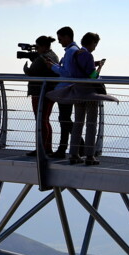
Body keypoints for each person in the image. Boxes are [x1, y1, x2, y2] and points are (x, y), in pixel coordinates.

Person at [68, 32, 106, 165]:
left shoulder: (75, 54)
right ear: (92, 43)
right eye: (95, 44)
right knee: (91, 124)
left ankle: (73, 154)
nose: (95, 47)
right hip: (89, 93)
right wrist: (99, 67)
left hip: (77, 91)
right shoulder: (88, 55)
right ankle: (90, 156)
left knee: (77, 124)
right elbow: (93, 76)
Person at [22, 35, 59, 156]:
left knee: (41, 121)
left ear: (43, 46)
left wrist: (26, 68)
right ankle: (46, 148)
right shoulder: (53, 56)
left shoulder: (43, 57)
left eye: (37, 47)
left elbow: (32, 72)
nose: (36, 49)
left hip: (40, 92)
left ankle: (41, 148)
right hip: (49, 91)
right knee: (45, 120)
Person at [49, 26, 79, 159]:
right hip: (69, 89)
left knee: (64, 119)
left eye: (60, 39)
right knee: (64, 119)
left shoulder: (71, 51)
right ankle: (66, 147)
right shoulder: (74, 50)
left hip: (66, 89)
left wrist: (53, 67)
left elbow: (68, 73)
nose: (59, 42)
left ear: (67, 37)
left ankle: (72, 146)